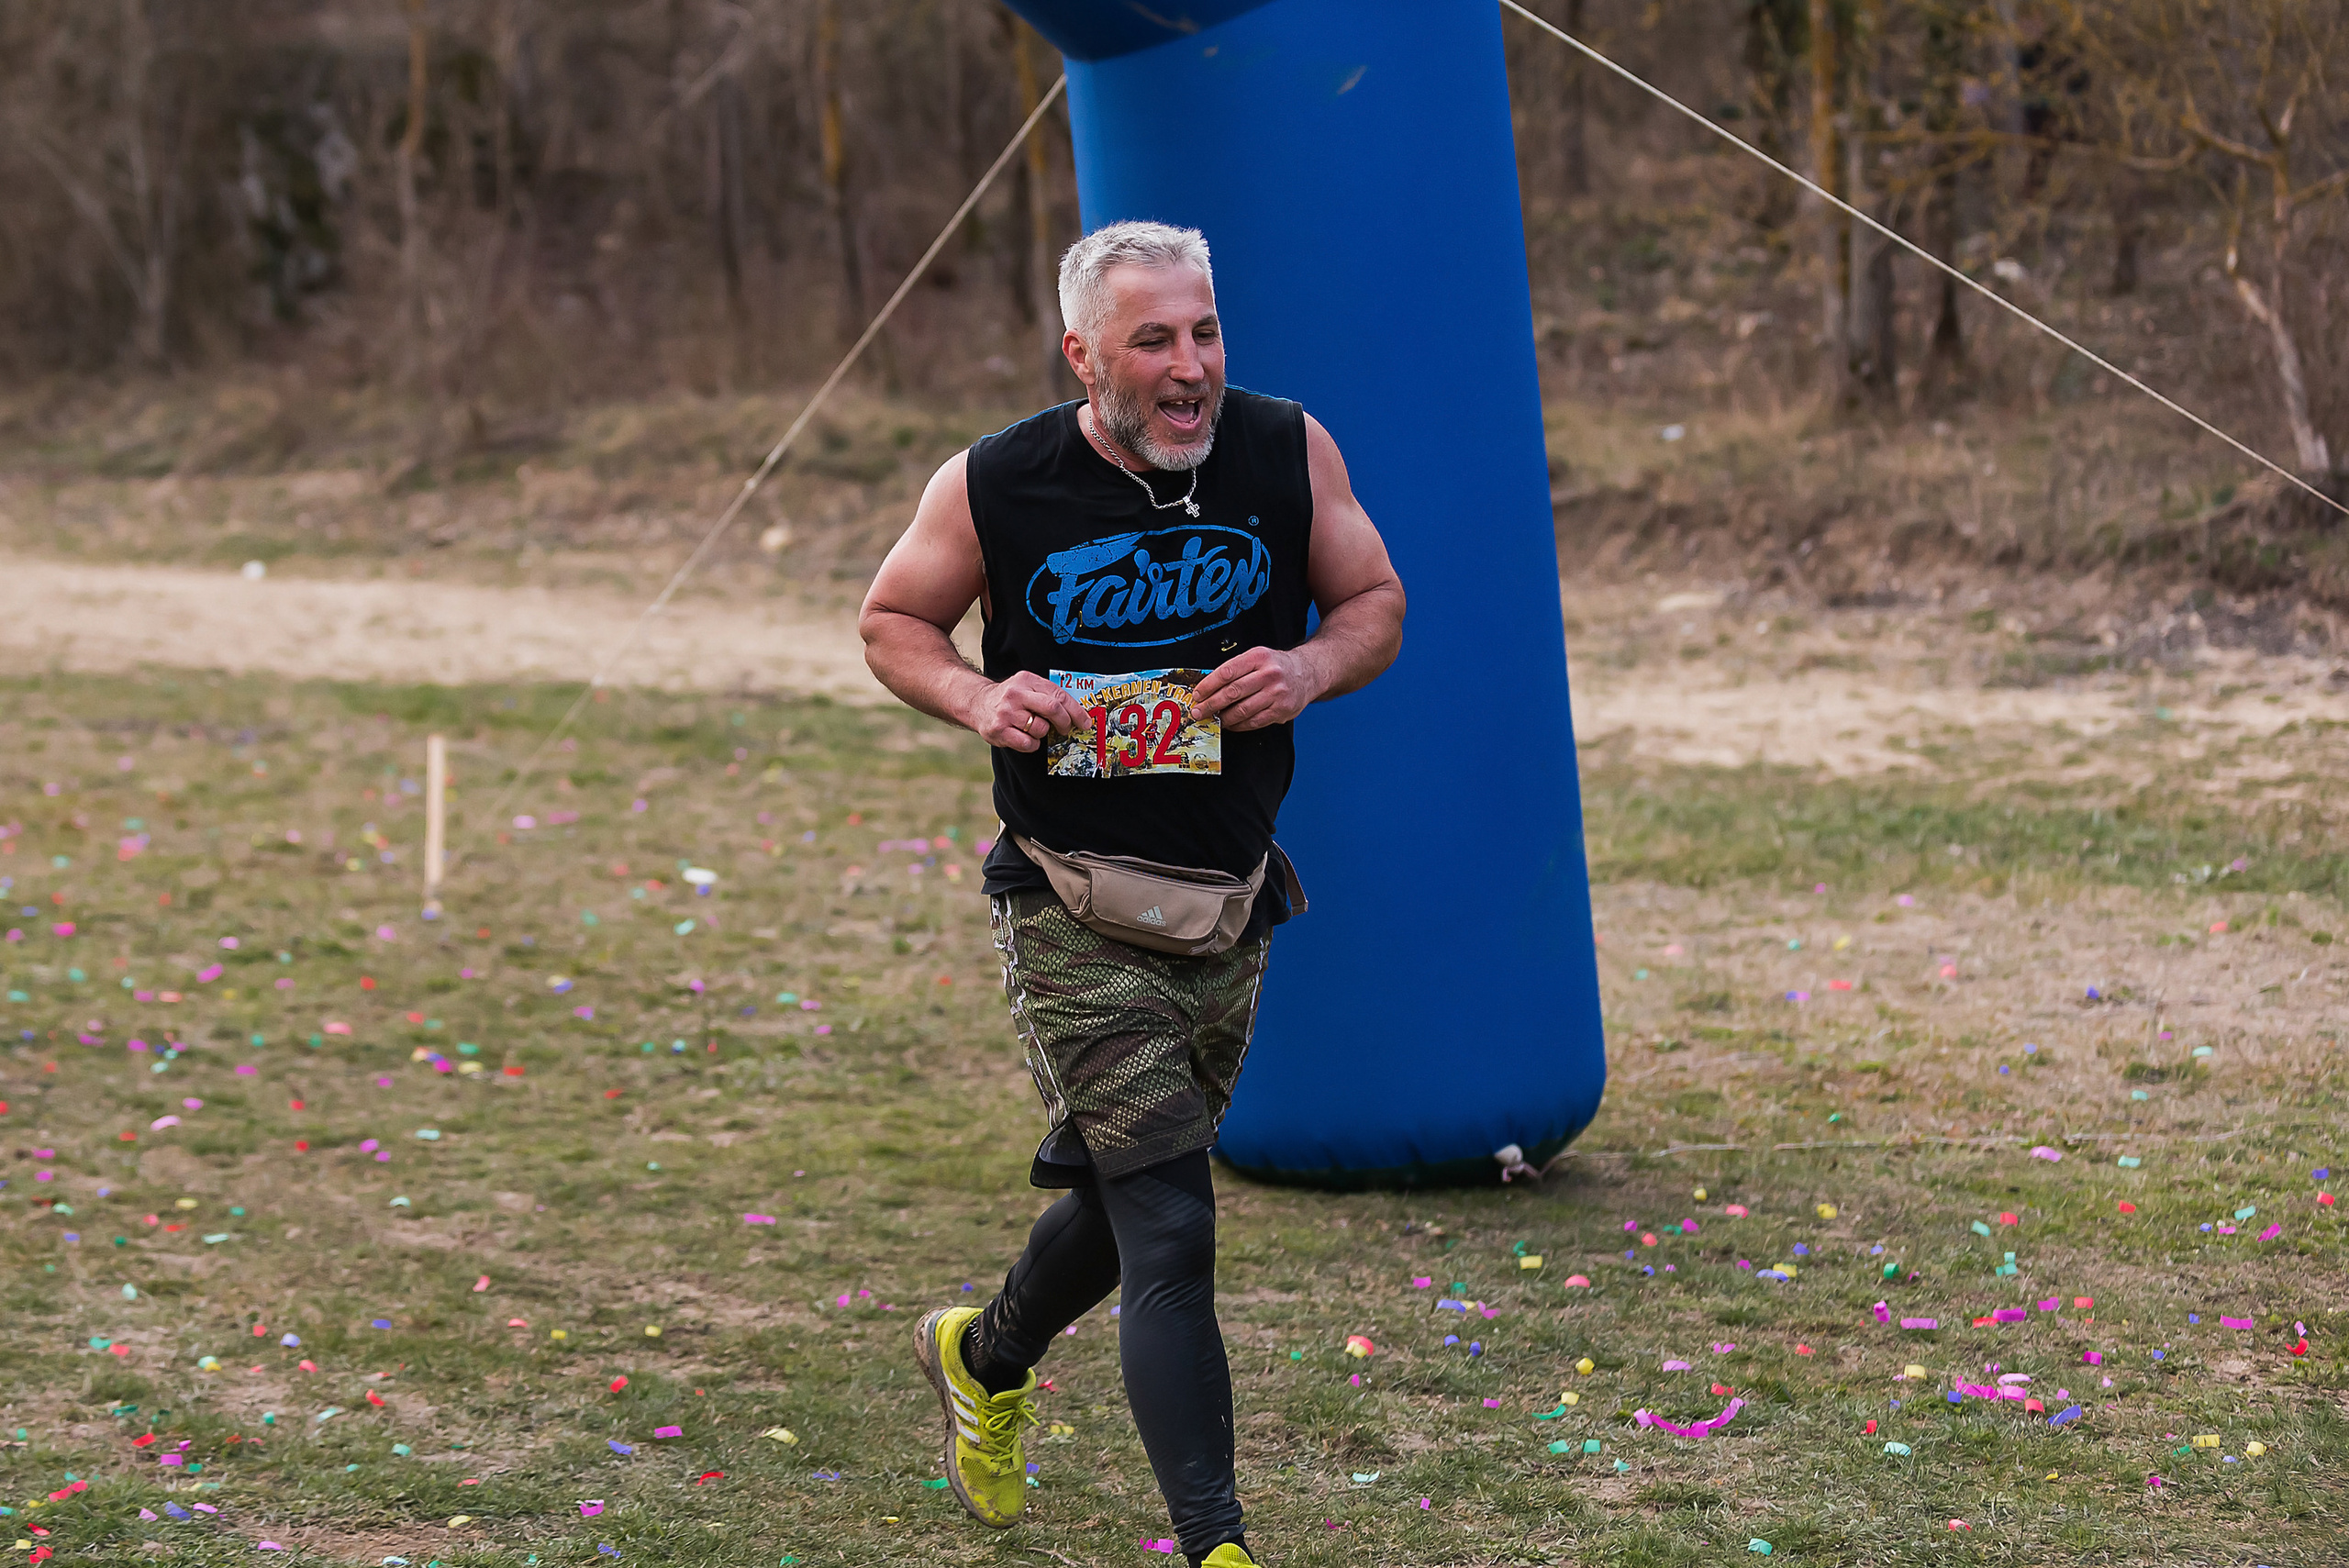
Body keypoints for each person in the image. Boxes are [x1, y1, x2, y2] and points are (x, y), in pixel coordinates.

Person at [858, 219, 1405, 1568]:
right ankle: (1218, 1548)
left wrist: (1308, 670)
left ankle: (982, 1358)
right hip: (1067, 899)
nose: (1191, 367)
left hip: (1226, 896)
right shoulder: (999, 482)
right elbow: (891, 622)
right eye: (1153, 339)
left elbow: (1375, 599)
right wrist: (984, 694)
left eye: (1205, 332)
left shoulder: (1287, 448)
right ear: (1083, 353)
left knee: (1124, 1195)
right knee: (1170, 1214)